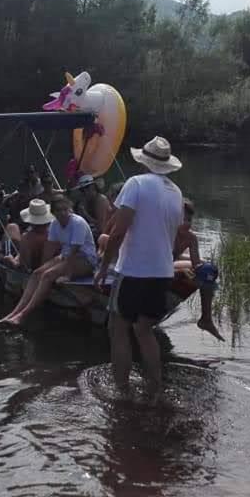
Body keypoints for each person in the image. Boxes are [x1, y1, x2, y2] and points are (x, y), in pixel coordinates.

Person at [94, 136, 184, 399]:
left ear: (143, 162)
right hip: (162, 272)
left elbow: (118, 232)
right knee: (144, 330)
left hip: (134, 271)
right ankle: (155, 387)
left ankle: (121, 390)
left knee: (117, 328)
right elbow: (174, 235)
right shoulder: (176, 192)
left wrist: (103, 267)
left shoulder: (135, 184)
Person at [0, 197, 97, 327]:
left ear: (70, 210)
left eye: (65, 209)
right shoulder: (55, 224)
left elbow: (73, 252)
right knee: (37, 273)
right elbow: (49, 249)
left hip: (84, 259)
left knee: (48, 275)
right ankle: (14, 313)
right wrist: (42, 267)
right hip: (66, 256)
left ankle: (22, 316)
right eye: (58, 210)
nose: (62, 213)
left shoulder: (77, 223)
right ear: (53, 213)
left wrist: (67, 275)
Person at [172, 200, 224, 341]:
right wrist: (183, 269)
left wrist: (206, 272)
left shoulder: (191, 237)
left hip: (170, 265)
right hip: (158, 267)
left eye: (189, 219)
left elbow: (196, 264)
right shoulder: (165, 232)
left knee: (208, 270)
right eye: (183, 219)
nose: (186, 222)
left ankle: (206, 319)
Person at [4, 199, 53, 270]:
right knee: (13, 227)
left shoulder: (27, 238)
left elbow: (24, 266)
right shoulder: (54, 234)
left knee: (11, 228)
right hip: (48, 267)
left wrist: (12, 260)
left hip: (32, 270)